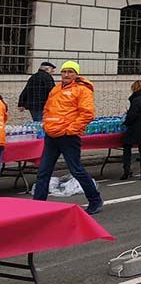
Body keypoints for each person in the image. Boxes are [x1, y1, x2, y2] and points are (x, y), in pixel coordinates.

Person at [33, 61, 103, 215]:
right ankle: (38, 204)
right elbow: (47, 109)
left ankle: (95, 200)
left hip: (68, 136)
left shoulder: (82, 90)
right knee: (43, 171)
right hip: (51, 135)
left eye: (70, 72)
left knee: (76, 170)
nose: (66, 75)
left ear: (76, 74)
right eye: (64, 71)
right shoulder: (56, 89)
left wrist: (71, 130)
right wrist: (46, 124)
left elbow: (87, 114)